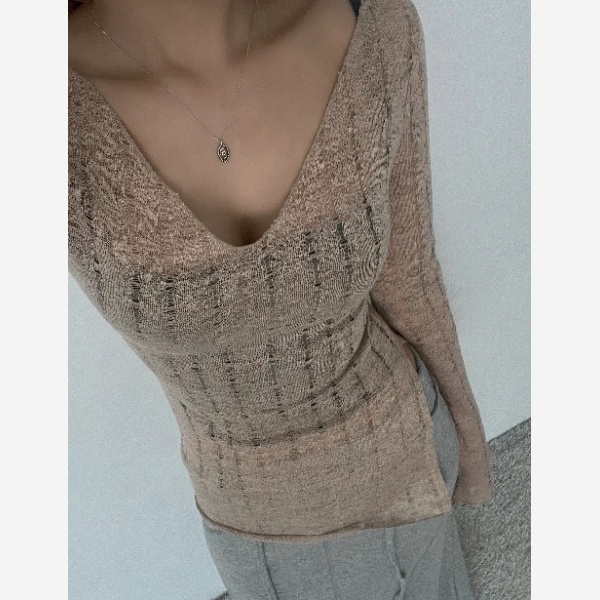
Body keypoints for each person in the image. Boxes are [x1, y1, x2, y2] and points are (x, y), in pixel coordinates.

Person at [68, 0, 494, 598]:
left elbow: (412, 276)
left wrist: (471, 449)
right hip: (252, 525)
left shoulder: (373, 25)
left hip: (408, 451)